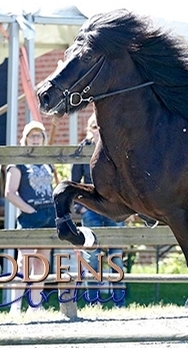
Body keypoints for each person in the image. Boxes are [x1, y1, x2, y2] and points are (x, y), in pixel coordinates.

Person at [72, 114, 126, 306]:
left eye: (99, 126)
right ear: (89, 129)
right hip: (92, 207)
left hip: (115, 205)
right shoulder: (82, 149)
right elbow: (74, 182)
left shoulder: (114, 144)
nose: (97, 130)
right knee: (92, 255)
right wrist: (81, 207)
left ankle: (119, 301)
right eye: (94, 127)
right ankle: (94, 301)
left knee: (116, 255)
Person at [5, 121, 57, 314]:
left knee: (42, 261)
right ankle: (15, 306)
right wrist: (29, 210)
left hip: (49, 214)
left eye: (39, 136)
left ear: (43, 139)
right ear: (25, 138)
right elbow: (10, 192)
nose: (35, 139)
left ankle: (35, 306)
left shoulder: (47, 160)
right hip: (30, 215)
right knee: (23, 262)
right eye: (32, 135)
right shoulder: (18, 161)